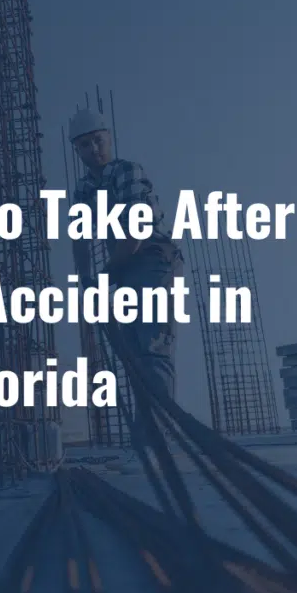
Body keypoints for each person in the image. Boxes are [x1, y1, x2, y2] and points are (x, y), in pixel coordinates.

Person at [67, 107, 184, 418]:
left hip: (152, 257)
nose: (93, 149)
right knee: (133, 353)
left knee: (152, 345)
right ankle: (150, 430)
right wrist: (85, 280)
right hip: (123, 265)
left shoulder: (127, 171)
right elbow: (80, 238)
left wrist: (103, 277)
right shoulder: (83, 190)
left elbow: (136, 231)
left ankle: (159, 432)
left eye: (98, 140)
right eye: (84, 144)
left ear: (109, 139)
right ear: (76, 150)